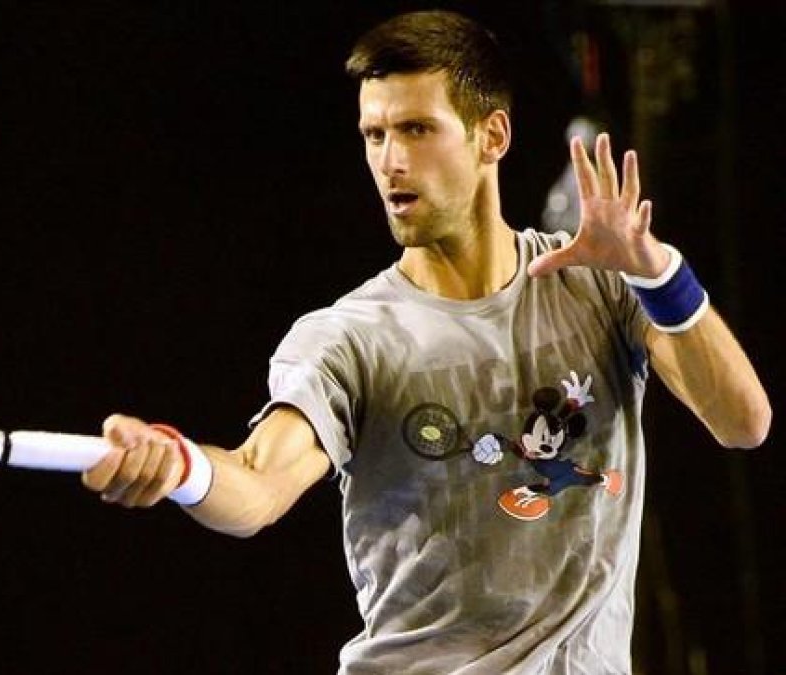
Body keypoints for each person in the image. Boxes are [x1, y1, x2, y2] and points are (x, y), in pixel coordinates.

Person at [81, 10, 771, 674]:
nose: (390, 161)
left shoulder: (604, 288)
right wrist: (179, 469)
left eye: (415, 129)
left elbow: (744, 422)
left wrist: (658, 271)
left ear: (491, 136)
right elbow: (257, 483)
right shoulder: (349, 337)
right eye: (373, 135)